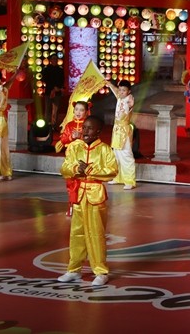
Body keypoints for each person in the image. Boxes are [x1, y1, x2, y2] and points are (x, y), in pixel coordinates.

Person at [58, 116, 118, 286]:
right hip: (78, 195)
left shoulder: (105, 149)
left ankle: (101, 271)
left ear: (98, 131)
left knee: (96, 234)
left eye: (90, 128)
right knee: (76, 233)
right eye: (84, 127)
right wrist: (76, 169)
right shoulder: (75, 147)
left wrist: (90, 170)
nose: (85, 131)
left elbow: (112, 170)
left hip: (95, 196)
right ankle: (73, 269)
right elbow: (64, 168)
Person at [57, 100, 91, 215]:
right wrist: (71, 137)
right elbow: (63, 139)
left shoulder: (88, 125)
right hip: (71, 158)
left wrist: (81, 136)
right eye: (76, 109)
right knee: (71, 183)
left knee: (83, 183)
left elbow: (92, 140)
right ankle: (71, 206)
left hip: (84, 157)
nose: (78, 112)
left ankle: (83, 207)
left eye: (81, 110)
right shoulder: (69, 125)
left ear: (86, 112)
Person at [107, 80, 135, 189]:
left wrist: (131, 104)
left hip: (124, 131)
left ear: (129, 91)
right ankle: (117, 178)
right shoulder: (119, 97)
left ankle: (129, 181)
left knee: (126, 155)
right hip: (116, 130)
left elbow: (131, 104)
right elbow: (115, 90)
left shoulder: (129, 99)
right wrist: (109, 84)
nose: (121, 92)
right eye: (120, 90)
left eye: (124, 90)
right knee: (116, 154)